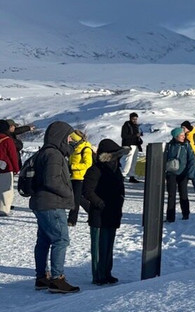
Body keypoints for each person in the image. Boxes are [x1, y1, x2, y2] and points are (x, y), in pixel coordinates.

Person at [29, 120, 81, 293]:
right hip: (51, 203)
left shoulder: (44, 152)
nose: (69, 141)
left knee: (43, 240)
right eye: (68, 137)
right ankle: (57, 279)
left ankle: (42, 278)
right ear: (60, 137)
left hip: (41, 202)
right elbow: (52, 180)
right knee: (60, 239)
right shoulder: (54, 155)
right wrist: (68, 193)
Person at [78, 138, 124, 285]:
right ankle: (98, 275)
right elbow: (87, 191)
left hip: (113, 213)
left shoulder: (117, 169)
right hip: (99, 214)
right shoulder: (95, 169)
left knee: (109, 245)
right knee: (99, 246)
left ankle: (107, 272)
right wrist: (100, 203)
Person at [164, 126, 195, 221]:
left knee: (183, 194)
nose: (183, 136)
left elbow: (191, 160)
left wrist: (189, 174)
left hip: (183, 174)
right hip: (171, 173)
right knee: (171, 195)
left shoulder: (187, 145)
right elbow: (164, 158)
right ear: (175, 136)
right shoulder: (169, 146)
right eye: (181, 135)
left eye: (183, 135)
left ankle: (186, 214)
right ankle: (170, 217)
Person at [68, 130, 94, 226]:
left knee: (75, 199)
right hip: (72, 176)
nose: (70, 140)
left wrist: (73, 167)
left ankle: (72, 220)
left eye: (72, 138)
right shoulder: (74, 148)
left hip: (80, 177)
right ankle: (92, 212)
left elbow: (88, 164)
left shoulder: (85, 148)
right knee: (78, 198)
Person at [0, 120, 20, 216]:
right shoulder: (7, 140)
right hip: (6, 168)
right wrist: (16, 169)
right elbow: (13, 156)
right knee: (6, 191)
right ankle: (4, 209)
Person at [120, 112, 143, 183]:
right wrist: (135, 135)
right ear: (130, 118)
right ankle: (122, 175)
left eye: (136, 119)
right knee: (127, 161)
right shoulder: (126, 125)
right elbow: (124, 136)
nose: (135, 120)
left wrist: (139, 139)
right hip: (129, 145)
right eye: (133, 119)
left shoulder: (136, 126)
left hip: (135, 146)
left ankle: (131, 176)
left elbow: (136, 136)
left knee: (133, 162)